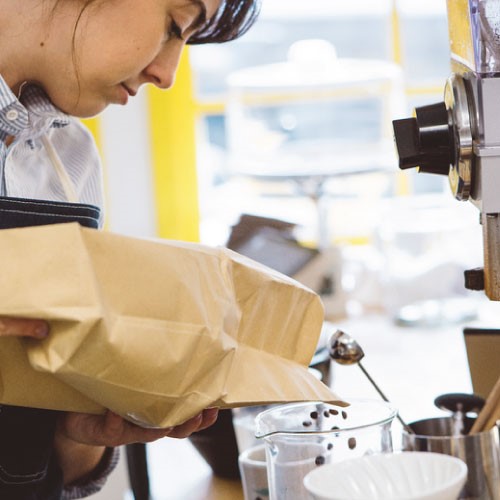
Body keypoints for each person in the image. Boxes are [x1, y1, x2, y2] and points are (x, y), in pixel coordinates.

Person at [0, 0, 259, 498]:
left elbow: (48, 472)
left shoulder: (68, 163)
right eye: (174, 25)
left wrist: (79, 432)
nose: (167, 74)